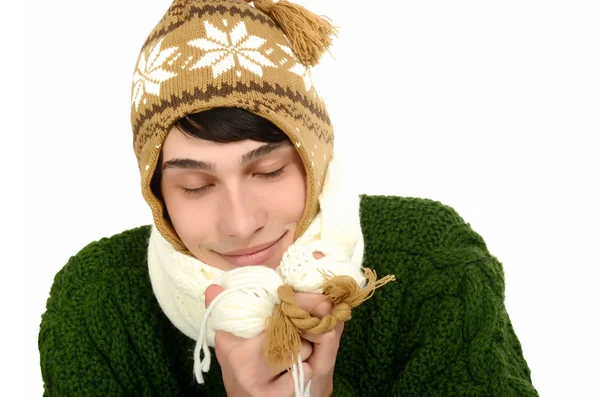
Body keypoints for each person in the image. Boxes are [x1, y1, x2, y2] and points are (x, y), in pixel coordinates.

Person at [38, 0, 539, 396]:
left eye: (269, 171)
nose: (239, 223)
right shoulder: (96, 303)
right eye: (195, 186)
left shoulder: (431, 264)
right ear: (158, 195)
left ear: (314, 159)